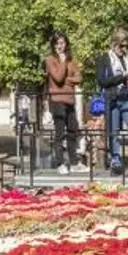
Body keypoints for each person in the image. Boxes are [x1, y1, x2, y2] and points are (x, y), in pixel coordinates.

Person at [96, 29, 128, 176]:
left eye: (127, 46)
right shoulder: (104, 58)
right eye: (121, 46)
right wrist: (122, 77)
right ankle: (116, 161)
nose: (124, 49)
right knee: (113, 132)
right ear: (113, 44)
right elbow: (102, 81)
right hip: (113, 98)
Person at [44, 32, 81, 174]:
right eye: (58, 43)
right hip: (57, 99)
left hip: (70, 99)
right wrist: (63, 62)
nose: (61, 46)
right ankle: (60, 163)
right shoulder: (50, 60)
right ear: (54, 45)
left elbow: (79, 78)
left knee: (73, 129)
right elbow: (58, 77)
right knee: (59, 132)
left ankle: (74, 162)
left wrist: (68, 80)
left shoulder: (72, 60)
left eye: (63, 43)